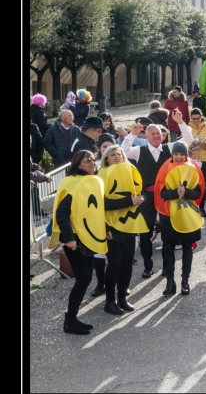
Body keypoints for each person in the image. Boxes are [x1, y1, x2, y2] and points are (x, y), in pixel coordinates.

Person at [119, 107, 193, 278]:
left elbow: (188, 140)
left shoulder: (170, 148)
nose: (156, 136)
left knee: (167, 233)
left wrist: (180, 121)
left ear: (163, 135)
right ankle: (148, 265)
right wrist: (132, 134)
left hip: (168, 196)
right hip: (147, 197)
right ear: (146, 136)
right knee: (145, 232)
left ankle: (167, 267)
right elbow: (123, 151)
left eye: (158, 134)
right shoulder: (139, 151)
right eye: (152, 134)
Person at [48, 150, 107, 335]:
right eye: (86, 160)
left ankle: (72, 319)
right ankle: (69, 321)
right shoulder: (73, 182)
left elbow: (96, 211)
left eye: (92, 159)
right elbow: (62, 213)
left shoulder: (93, 181)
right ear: (77, 163)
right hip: (75, 238)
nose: (91, 162)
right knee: (83, 279)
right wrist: (70, 238)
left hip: (87, 237)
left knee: (86, 277)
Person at [98, 145, 147, 313]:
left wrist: (140, 199)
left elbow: (137, 192)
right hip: (111, 226)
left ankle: (122, 298)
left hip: (130, 224)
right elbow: (102, 204)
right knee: (114, 264)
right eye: (112, 155)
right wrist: (129, 202)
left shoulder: (130, 169)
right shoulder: (102, 175)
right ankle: (109, 302)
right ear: (106, 158)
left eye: (119, 153)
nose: (117, 156)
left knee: (127, 263)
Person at [154, 142, 205, 296]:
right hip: (168, 215)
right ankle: (170, 282)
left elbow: (198, 193)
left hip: (187, 214)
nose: (178, 156)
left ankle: (185, 281)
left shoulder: (193, 167)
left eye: (181, 154)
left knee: (187, 247)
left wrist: (186, 192)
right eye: (176, 154)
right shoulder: (165, 168)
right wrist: (177, 193)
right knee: (168, 248)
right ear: (172, 155)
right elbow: (161, 193)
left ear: (186, 155)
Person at [89, 132, 117, 298]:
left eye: (111, 147)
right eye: (105, 147)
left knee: (117, 255)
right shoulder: (96, 169)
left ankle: (119, 285)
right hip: (100, 215)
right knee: (99, 253)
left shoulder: (124, 167)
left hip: (119, 216)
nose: (108, 151)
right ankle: (101, 283)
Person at [188, 108, 206, 217]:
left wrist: (205, 145)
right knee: (191, 184)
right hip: (192, 160)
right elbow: (183, 144)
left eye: (198, 118)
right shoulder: (188, 129)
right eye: (193, 119)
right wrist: (193, 144)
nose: (196, 121)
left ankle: (202, 208)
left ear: (202, 117)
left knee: (202, 184)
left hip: (204, 160)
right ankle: (191, 207)